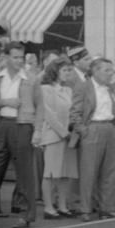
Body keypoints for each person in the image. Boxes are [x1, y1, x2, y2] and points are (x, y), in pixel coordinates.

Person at [0, 42, 38, 228]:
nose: (19, 61)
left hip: (22, 126)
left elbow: (40, 107)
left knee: (24, 174)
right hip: (0, 124)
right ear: (6, 57)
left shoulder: (31, 78)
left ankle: (26, 214)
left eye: (21, 57)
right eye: (15, 57)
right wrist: (4, 102)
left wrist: (37, 131)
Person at [72, 57, 115, 221]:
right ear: (95, 71)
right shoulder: (83, 87)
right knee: (89, 171)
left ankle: (107, 207)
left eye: (112, 70)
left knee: (110, 171)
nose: (111, 73)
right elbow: (75, 112)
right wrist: (83, 130)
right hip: (92, 128)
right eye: (107, 70)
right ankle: (85, 209)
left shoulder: (110, 88)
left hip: (109, 127)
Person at [35, 59, 79, 217]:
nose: (68, 73)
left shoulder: (68, 90)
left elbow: (72, 112)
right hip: (54, 135)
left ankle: (62, 205)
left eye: (70, 70)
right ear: (55, 71)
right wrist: (64, 132)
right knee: (51, 173)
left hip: (68, 136)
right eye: (65, 70)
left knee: (65, 172)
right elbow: (49, 115)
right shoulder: (45, 89)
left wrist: (73, 130)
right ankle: (48, 206)